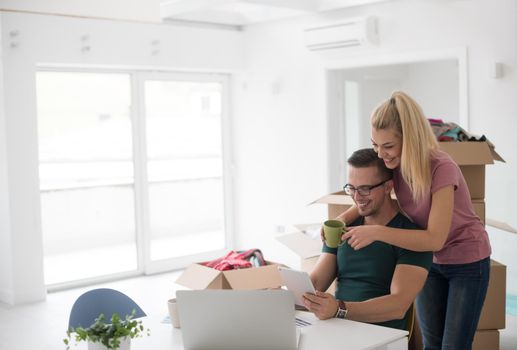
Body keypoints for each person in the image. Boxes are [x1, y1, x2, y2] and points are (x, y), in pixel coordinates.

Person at [340, 91, 491, 350]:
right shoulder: (393, 165)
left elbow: (435, 237)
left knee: (454, 346)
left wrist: (377, 232)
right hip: (430, 259)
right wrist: (346, 216)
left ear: (410, 140)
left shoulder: (441, 168)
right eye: (375, 144)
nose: (381, 154)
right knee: (431, 343)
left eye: (388, 146)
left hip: (467, 261)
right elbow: (372, 191)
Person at [303, 148, 432, 331]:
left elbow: (397, 306)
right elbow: (316, 283)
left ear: (388, 186)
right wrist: (283, 296)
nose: (356, 197)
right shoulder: (343, 227)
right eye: (351, 188)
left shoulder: (411, 237)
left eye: (364, 189)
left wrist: (340, 309)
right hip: (337, 329)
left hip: (381, 337)